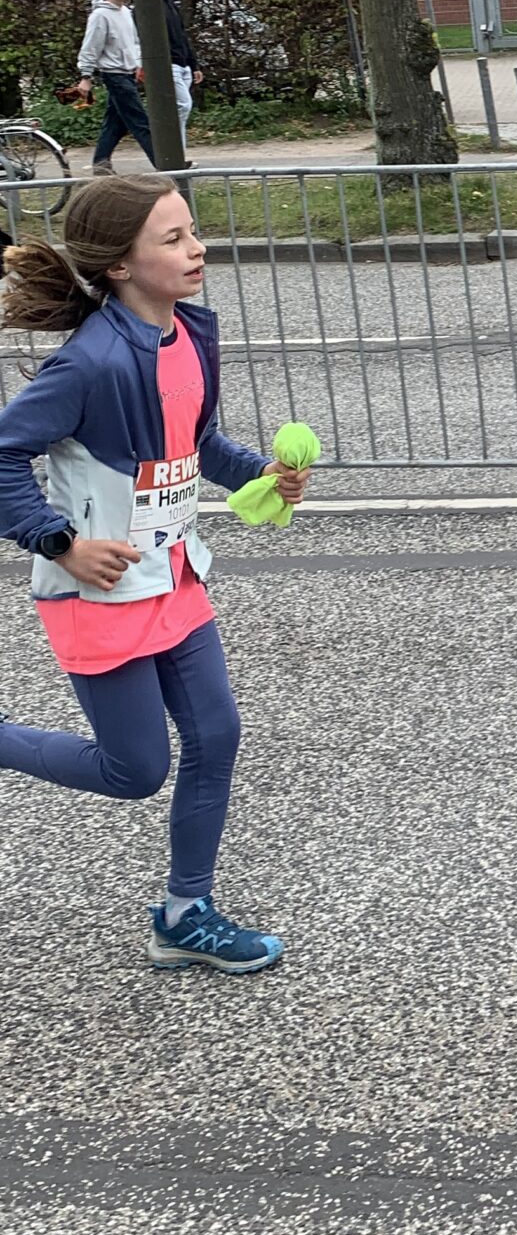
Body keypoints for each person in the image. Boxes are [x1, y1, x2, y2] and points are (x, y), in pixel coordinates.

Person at [0, 174, 310, 972]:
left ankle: (184, 913)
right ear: (119, 266)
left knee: (217, 734)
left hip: (173, 576)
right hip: (98, 594)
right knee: (133, 770)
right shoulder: (91, 364)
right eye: (173, 239)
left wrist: (261, 474)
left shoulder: (187, 334)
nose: (197, 248)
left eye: (192, 230)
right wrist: (59, 542)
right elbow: (2, 455)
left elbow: (193, 442)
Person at [74, 0, 157, 176]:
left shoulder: (126, 12)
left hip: (128, 72)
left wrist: (138, 63)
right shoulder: (100, 16)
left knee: (115, 124)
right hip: (114, 74)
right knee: (140, 121)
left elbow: (134, 41)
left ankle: (101, 163)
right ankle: (164, 162)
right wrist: (86, 76)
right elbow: (91, 47)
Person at [155, 0, 201, 146]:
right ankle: (172, 148)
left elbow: (181, 34)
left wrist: (193, 64)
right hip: (169, 64)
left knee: (180, 110)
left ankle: (178, 150)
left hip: (183, 64)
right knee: (183, 105)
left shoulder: (170, 2)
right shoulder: (149, 5)